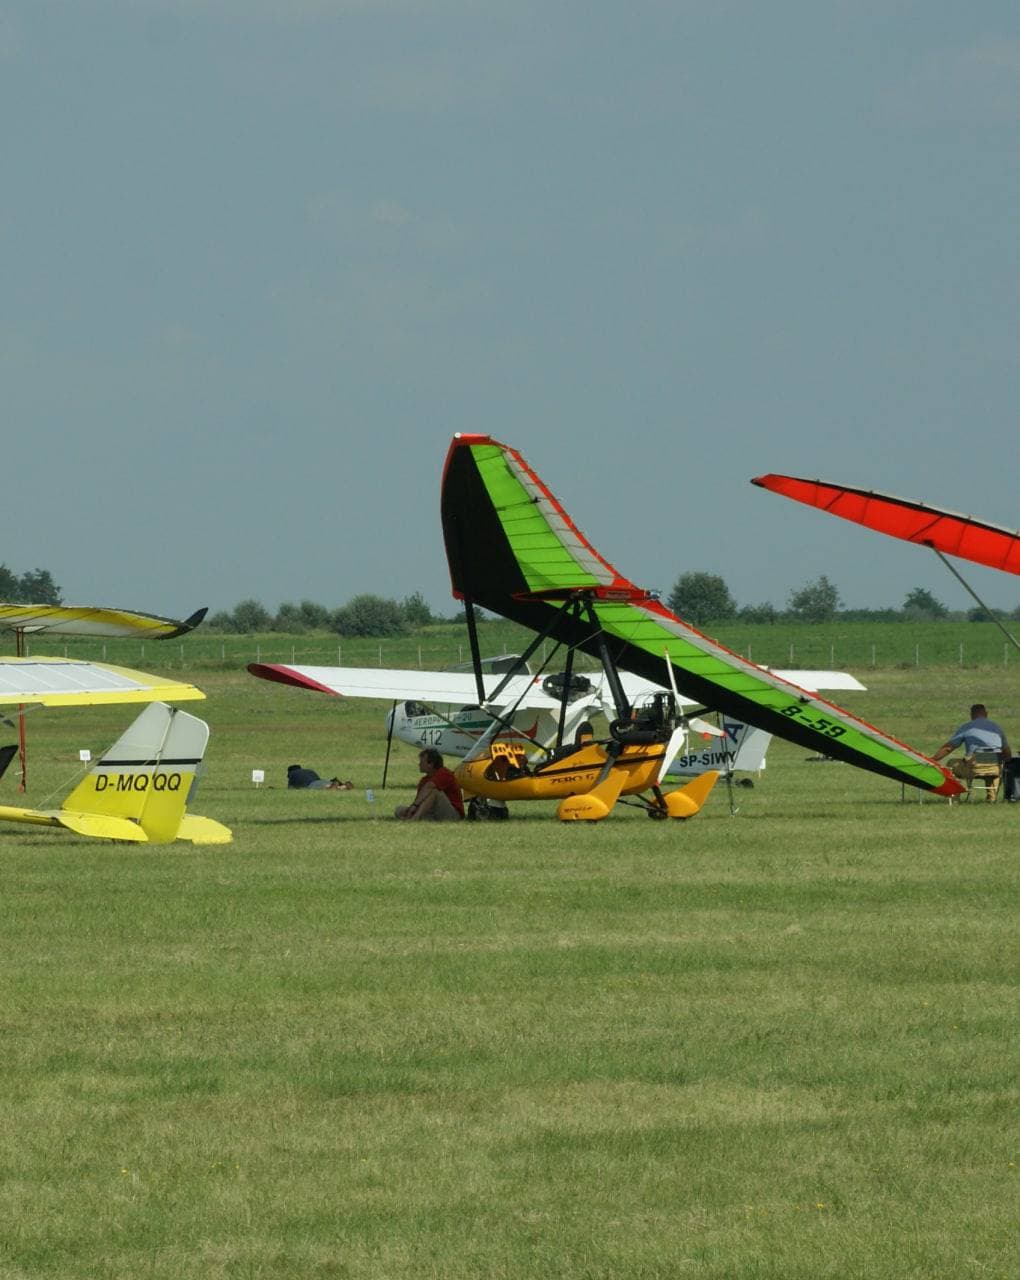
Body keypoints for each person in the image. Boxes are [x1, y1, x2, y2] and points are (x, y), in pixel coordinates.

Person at [932, 704, 1012, 800]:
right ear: (986, 714)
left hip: (974, 768)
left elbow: (948, 748)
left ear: (971, 715)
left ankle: (955, 797)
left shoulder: (967, 727)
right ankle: (992, 798)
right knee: (995, 763)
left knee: (951, 763)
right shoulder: (997, 728)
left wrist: (933, 759)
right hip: (994, 769)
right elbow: (1007, 754)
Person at [395, 747, 464, 821]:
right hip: (434, 812)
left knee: (434, 792)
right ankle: (419, 817)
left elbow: (429, 786)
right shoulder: (424, 780)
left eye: (422, 762)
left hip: (453, 814)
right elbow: (420, 800)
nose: (419, 764)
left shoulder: (444, 773)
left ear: (430, 764)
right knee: (399, 810)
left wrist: (414, 806)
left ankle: (415, 818)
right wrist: (411, 809)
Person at [286, 764, 352, 791]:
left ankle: (334, 786)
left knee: (327, 789)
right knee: (327, 785)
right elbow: (318, 779)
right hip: (321, 781)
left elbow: (290, 789)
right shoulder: (309, 770)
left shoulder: (292, 773)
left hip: (311, 785)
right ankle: (344, 786)